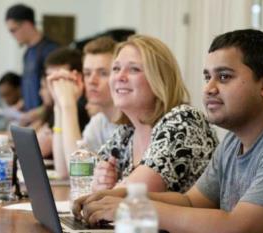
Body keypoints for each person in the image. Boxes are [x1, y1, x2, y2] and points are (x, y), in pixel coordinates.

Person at [73, 29, 263, 233]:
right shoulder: (235, 140)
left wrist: (131, 209)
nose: (209, 88)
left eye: (224, 77)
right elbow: (192, 201)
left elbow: (239, 227)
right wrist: (119, 196)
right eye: (207, 77)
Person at [88, 34, 218, 193]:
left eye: (134, 69)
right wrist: (97, 184)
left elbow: (134, 196)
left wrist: (101, 193)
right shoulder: (125, 134)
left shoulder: (184, 120)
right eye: (116, 68)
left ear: (160, 78)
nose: (119, 77)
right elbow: (84, 186)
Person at [47, 37, 118, 178]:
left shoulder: (129, 124)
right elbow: (64, 171)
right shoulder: (99, 121)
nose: (92, 80)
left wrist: (68, 105)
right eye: (87, 73)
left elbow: (79, 173)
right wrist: (58, 105)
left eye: (103, 73)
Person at [5, 4, 58, 112]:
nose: (12, 35)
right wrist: (19, 106)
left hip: (48, 120)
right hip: (31, 118)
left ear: (27, 24)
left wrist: (38, 114)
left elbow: (57, 95)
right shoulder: (27, 53)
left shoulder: (51, 51)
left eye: (13, 30)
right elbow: (29, 88)